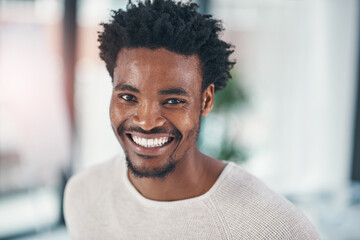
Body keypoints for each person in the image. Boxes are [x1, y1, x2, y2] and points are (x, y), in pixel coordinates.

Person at [64, 0, 320, 239]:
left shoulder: (273, 227)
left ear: (206, 100)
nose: (146, 121)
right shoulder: (83, 195)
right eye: (128, 97)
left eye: (174, 101)